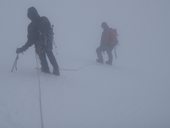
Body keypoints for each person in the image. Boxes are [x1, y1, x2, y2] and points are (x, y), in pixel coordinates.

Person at [16, 7, 60, 75]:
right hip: (48, 41)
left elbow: (30, 41)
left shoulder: (31, 26)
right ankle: (56, 69)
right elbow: (48, 30)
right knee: (49, 52)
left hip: (40, 44)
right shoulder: (44, 19)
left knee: (42, 53)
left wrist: (21, 49)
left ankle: (45, 69)